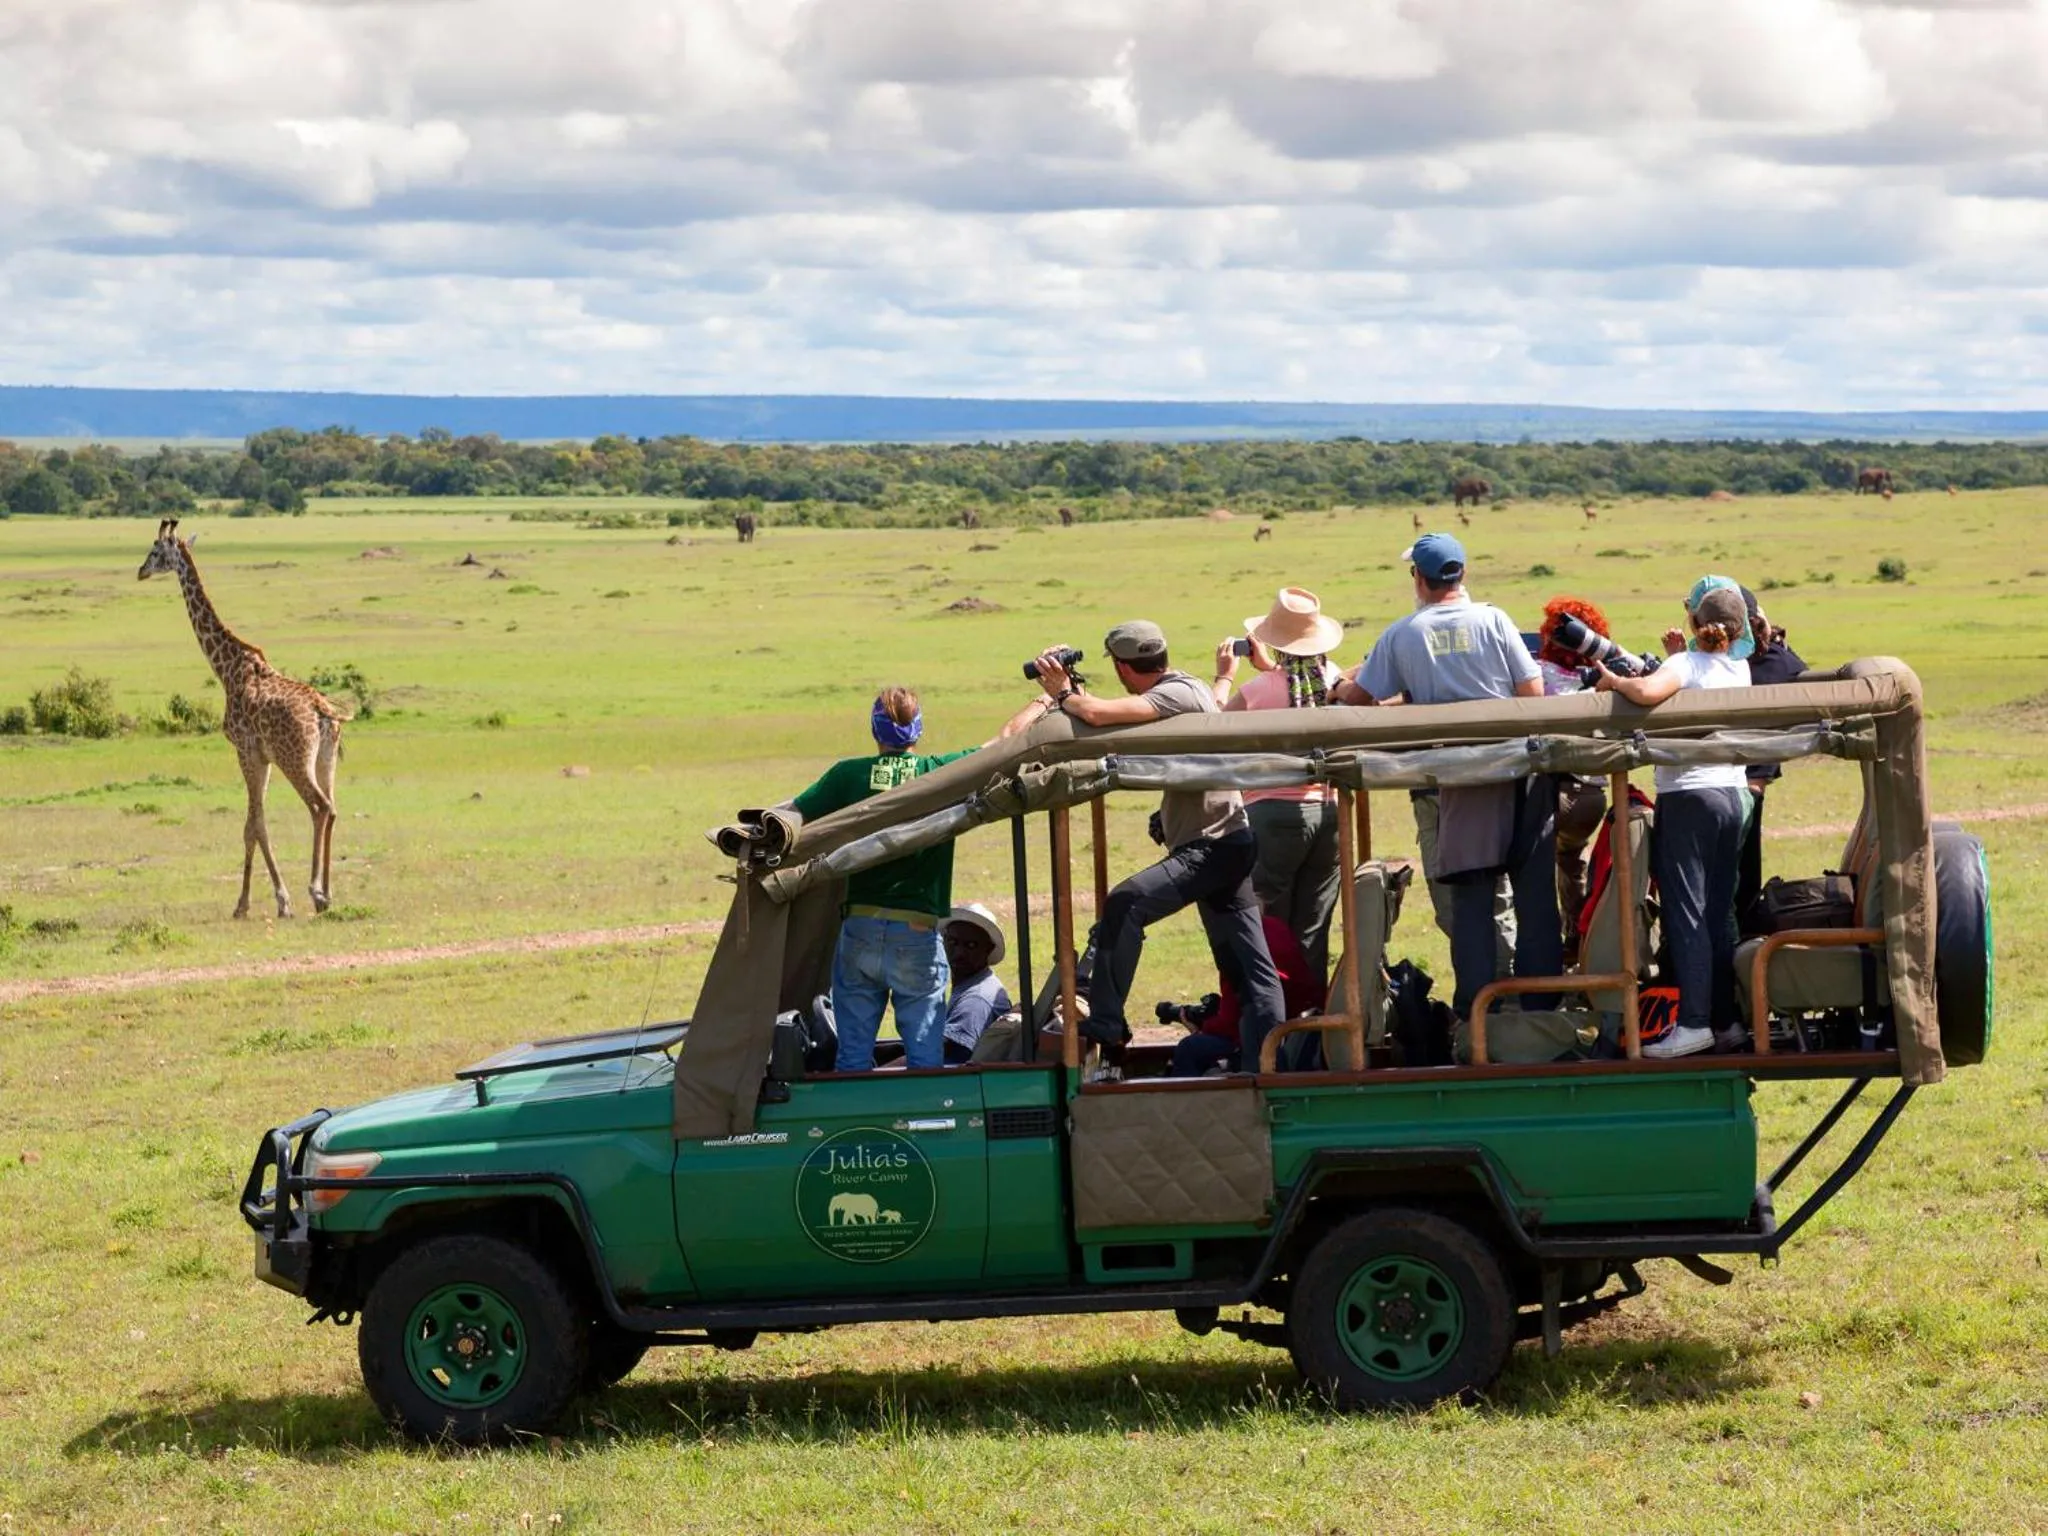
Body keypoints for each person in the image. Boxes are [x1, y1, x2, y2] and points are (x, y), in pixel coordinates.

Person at [1026, 622, 1285, 1071]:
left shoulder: (1174, 696)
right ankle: (1264, 1058)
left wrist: (1064, 692)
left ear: (1125, 668)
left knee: (1126, 903)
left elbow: (1101, 715)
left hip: (1213, 845)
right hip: (1226, 839)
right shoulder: (1189, 690)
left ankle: (1107, 1022)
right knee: (1246, 966)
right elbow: (1209, 717)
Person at [1331, 533, 1561, 1023]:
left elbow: (1359, 702)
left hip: (1460, 778)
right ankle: (1545, 1007)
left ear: (1419, 578)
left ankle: (1478, 1013)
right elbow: (1533, 690)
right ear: (1463, 574)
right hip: (1519, 767)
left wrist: (1338, 684)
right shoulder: (1495, 619)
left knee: (1473, 903)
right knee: (1535, 899)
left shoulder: (1403, 633)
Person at [788, 686, 1046, 1072]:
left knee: (853, 1056)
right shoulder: (939, 773)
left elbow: (793, 815)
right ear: (918, 730)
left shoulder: (847, 775)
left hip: (860, 927)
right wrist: (1044, 700)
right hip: (917, 932)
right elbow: (1006, 743)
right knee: (926, 1057)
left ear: (875, 730)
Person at [1594, 581, 1755, 1058]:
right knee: (1717, 916)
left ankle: (1693, 1024)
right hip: (1732, 794)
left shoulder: (1684, 665)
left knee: (1686, 914)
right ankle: (1726, 1022)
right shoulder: (1740, 668)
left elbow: (1646, 692)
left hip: (1688, 797)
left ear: (1693, 622)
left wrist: (1614, 682)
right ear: (1740, 628)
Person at [1211, 587, 1346, 983]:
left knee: (1267, 923)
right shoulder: (1333, 679)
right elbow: (1300, 688)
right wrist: (1270, 666)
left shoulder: (1258, 690)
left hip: (1272, 811)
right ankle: (1314, 1018)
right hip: (1329, 810)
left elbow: (1213, 724)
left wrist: (1223, 676)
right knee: (1314, 924)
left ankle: (1270, 1015)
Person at [1535, 596, 1615, 963]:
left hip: (1556, 790)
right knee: (1571, 861)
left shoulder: (1537, 677)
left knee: (1529, 870)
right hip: (1593, 796)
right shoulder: (1606, 680)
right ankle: (1578, 940)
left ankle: (1541, 950)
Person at [1166, 914, 1327, 1076]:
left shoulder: (1234, 940)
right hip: (1300, 1027)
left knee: (1189, 1048)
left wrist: (1203, 1027)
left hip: (1268, 1038)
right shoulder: (1275, 927)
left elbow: (1230, 1023)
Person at [1735, 586, 1809, 924]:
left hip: (1710, 783)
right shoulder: (1775, 662)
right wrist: (1775, 638)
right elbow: (1798, 671)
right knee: (1742, 885)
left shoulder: (1710, 662)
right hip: (1752, 786)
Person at [939, 903, 1013, 1064]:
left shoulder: (977, 999)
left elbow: (937, 1053)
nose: (959, 953)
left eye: (971, 945)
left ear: (988, 949)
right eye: (952, 942)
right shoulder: (970, 985)